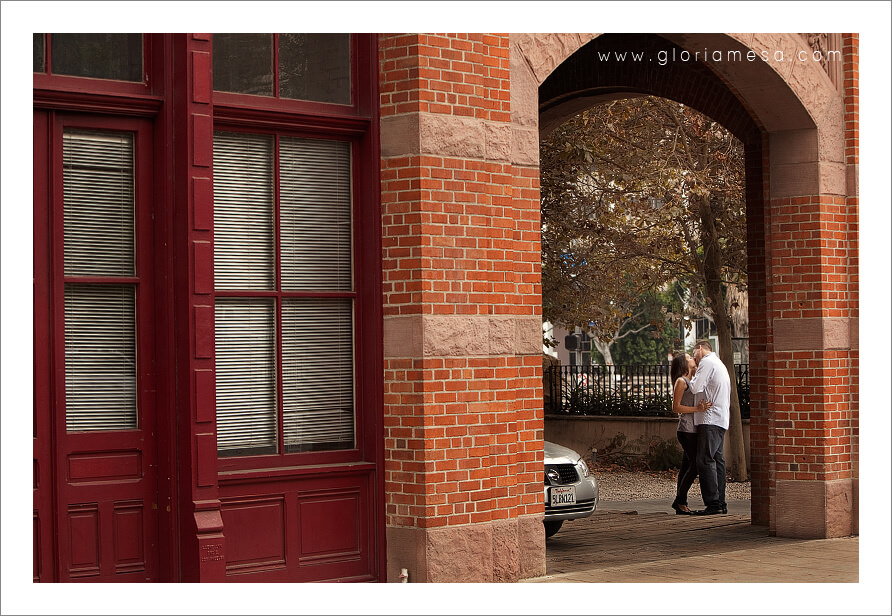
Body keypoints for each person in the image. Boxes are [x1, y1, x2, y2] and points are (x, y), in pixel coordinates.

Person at [688, 339, 732, 515]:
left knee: (704, 460)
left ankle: (713, 503)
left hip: (709, 419)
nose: (694, 359)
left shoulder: (706, 362)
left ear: (700, 348)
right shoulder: (718, 363)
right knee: (717, 460)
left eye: (693, 354)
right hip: (720, 419)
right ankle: (720, 502)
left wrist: (688, 375)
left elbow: (696, 388)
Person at [669, 352, 711, 515]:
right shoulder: (681, 381)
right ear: (683, 364)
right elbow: (676, 407)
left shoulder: (692, 380)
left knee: (687, 465)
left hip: (693, 429)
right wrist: (697, 409)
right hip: (686, 430)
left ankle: (681, 502)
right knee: (695, 465)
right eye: (689, 358)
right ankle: (679, 500)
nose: (693, 359)